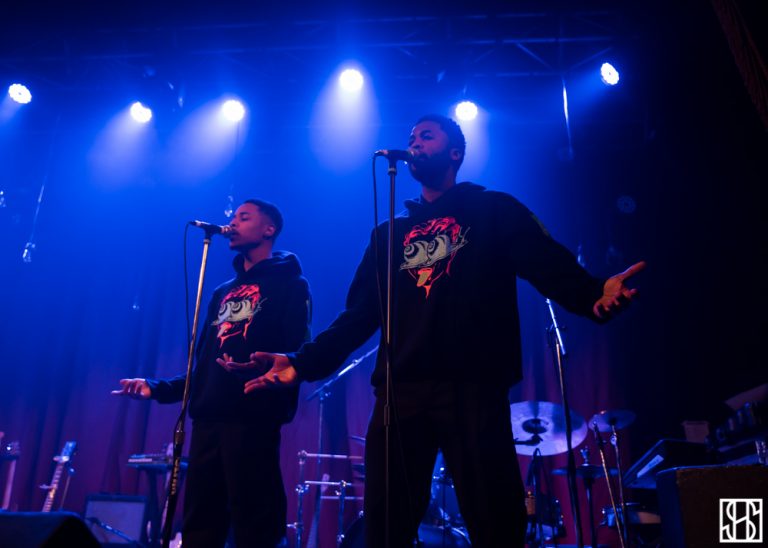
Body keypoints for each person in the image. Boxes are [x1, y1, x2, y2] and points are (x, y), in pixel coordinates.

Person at [222, 115, 645, 547]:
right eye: (411, 137)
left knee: (496, 520)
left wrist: (593, 293)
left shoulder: (493, 209)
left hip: (473, 385)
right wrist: (301, 363)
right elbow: (358, 316)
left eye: (427, 136)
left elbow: (547, 263)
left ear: (455, 153)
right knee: (386, 526)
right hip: (400, 392)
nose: (415, 142)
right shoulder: (389, 235)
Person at [112, 199, 311, 548]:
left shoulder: (291, 285)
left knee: (256, 529)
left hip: (252, 421)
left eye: (243, 217)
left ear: (269, 229)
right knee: (200, 527)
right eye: (232, 217)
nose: (232, 223)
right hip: (207, 422)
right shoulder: (222, 292)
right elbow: (202, 367)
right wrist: (156, 388)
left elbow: (298, 353)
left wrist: (265, 369)